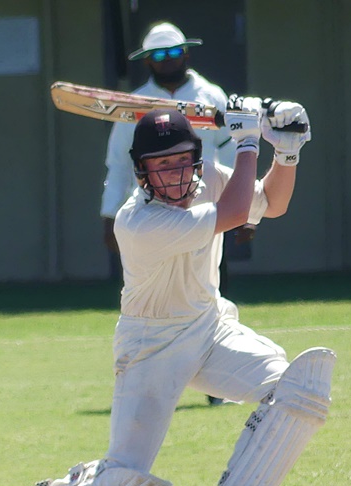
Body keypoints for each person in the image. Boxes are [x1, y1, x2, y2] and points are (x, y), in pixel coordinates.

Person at [4, 101, 333, 486]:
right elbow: (235, 213)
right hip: (151, 346)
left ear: (195, 160)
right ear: (141, 172)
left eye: (182, 161)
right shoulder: (137, 222)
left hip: (211, 327)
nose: (175, 174)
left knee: (298, 391)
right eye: (162, 165)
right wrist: (249, 140)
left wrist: (288, 150)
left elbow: (271, 204)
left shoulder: (212, 178)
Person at [101, 21, 246, 405]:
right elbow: (118, 164)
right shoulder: (134, 105)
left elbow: (231, 151)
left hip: (207, 204)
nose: (166, 62)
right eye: (157, 56)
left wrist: (241, 209)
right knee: (151, 295)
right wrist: (107, 213)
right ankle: (151, 373)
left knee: (211, 285)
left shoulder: (211, 95)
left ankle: (217, 378)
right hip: (153, 216)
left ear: (186, 53)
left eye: (172, 53)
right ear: (146, 62)